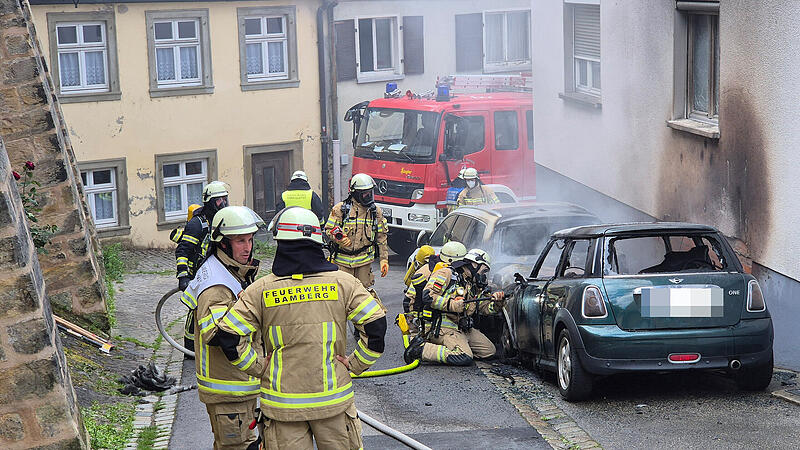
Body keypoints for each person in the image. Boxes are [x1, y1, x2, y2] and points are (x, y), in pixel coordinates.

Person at [211, 206, 387, 449]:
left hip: (283, 409)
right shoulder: (344, 283)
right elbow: (376, 327)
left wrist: (259, 367)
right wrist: (355, 364)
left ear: (281, 244)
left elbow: (228, 337)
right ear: (317, 241)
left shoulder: (261, 290)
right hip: (333, 404)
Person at [184, 206, 263, 450]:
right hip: (229, 389)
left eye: (249, 240)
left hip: (237, 386)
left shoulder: (228, 271)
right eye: (240, 241)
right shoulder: (217, 285)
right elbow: (217, 335)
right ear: (223, 244)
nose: (247, 247)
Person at [404, 248, 504, 366]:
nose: (483, 275)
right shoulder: (447, 274)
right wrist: (453, 305)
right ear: (474, 264)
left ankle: (456, 345)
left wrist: (497, 303)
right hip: (442, 328)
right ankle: (420, 349)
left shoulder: (471, 284)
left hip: (462, 328)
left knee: (489, 351)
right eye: (484, 271)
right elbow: (428, 296)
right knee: (464, 356)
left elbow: (483, 308)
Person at [177, 181, 229, 355]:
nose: (223, 203)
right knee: (196, 309)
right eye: (218, 200)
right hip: (198, 274)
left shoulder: (223, 220)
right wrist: (183, 276)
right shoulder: (197, 224)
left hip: (217, 272)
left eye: (225, 199)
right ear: (209, 202)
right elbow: (183, 250)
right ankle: (190, 348)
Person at [324, 173, 389, 289]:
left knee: (363, 294)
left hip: (364, 263)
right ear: (355, 193)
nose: (368, 196)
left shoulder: (375, 212)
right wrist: (340, 238)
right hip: (342, 262)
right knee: (343, 292)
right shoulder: (340, 209)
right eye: (365, 194)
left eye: (370, 193)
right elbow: (329, 229)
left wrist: (384, 259)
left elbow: (381, 237)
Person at [403, 241, 466, 336]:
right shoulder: (430, 271)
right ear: (451, 260)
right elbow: (411, 299)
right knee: (416, 342)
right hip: (416, 312)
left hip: (427, 311)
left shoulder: (443, 268)